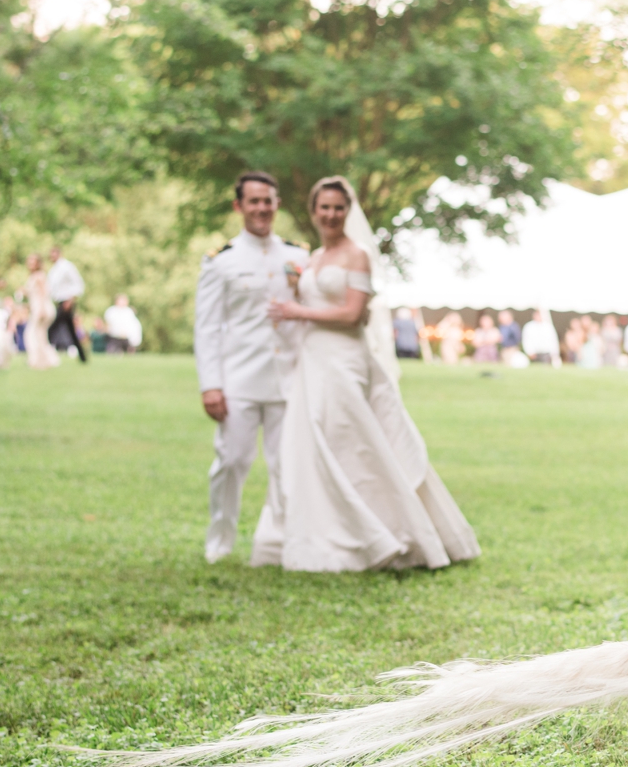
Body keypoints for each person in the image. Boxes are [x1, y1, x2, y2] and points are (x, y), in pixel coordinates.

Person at [263, 174, 480, 572]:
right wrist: (297, 291)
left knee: (356, 443)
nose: (331, 215)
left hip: (345, 360)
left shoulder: (357, 254)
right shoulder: (311, 259)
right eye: (324, 208)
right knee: (316, 444)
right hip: (312, 362)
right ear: (313, 212)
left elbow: (353, 314)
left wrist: (299, 311)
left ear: (348, 211)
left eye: (338, 208)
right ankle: (329, 535)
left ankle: (389, 533)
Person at [194, 170, 312, 564]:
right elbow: (208, 327)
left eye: (268, 201)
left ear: (277, 204)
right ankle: (220, 540)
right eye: (254, 201)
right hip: (239, 379)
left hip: (289, 380)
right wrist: (211, 384)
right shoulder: (221, 262)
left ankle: (283, 542)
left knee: (287, 465)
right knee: (232, 461)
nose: (262, 208)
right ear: (239, 206)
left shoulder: (298, 256)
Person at [47, 246, 87, 363]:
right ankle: (83, 357)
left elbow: (78, 284)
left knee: (51, 329)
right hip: (59, 302)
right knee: (71, 331)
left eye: (54, 254)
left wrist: (70, 301)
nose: (52, 256)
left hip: (66, 302)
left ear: (59, 254)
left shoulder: (67, 267)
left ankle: (45, 353)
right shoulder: (54, 269)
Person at [22, 253, 59, 370]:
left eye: (33, 261)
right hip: (37, 308)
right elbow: (34, 295)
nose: (30, 264)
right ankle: (45, 360)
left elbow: (44, 293)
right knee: (40, 336)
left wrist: (42, 310)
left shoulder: (39, 276)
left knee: (33, 334)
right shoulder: (34, 276)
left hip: (42, 309)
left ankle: (41, 361)